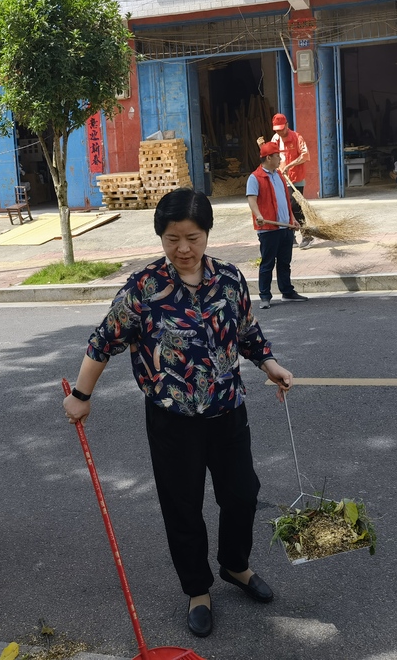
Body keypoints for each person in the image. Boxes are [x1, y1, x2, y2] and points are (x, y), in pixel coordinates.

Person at [63, 189, 294, 640]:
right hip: (172, 419)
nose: (183, 249)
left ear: (207, 233)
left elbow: (246, 331)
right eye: (172, 239)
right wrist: (81, 394)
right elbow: (102, 341)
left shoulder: (229, 279)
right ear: (160, 237)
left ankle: (235, 565)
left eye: (192, 237)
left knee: (243, 494)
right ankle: (197, 590)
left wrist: (270, 364)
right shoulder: (143, 288)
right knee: (183, 506)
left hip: (228, 410)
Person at [246, 141, 308, 310]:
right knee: (267, 263)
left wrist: (292, 218)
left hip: (285, 226)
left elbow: (285, 201)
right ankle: (265, 296)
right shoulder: (255, 178)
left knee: (284, 262)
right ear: (268, 158)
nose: (280, 158)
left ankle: (287, 292)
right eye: (277, 156)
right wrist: (258, 215)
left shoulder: (279, 175)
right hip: (268, 229)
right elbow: (252, 199)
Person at [271, 113, 314, 249]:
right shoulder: (275, 139)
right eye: (277, 129)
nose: (279, 132)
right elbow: (271, 156)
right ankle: (291, 237)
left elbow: (305, 155)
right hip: (280, 178)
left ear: (287, 125)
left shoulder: (297, 137)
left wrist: (289, 166)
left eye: (281, 129)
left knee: (295, 205)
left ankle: (307, 235)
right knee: (285, 206)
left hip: (296, 178)